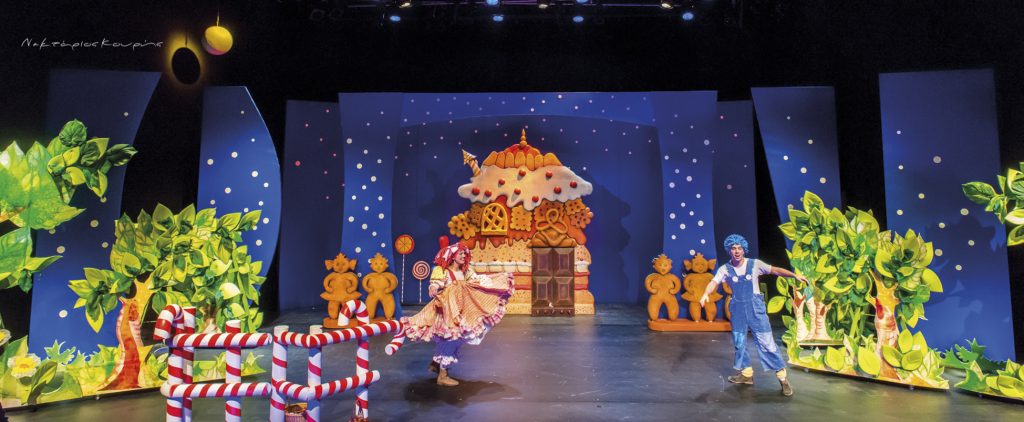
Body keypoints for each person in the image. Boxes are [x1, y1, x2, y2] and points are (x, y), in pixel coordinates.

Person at [399, 236, 515, 386]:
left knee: (456, 338)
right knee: (451, 339)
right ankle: (442, 375)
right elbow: (435, 284)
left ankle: (436, 363)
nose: (463, 256)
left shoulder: (466, 272)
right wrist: (433, 288)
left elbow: (476, 281)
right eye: (460, 254)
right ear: (453, 256)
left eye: (464, 254)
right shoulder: (443, 271)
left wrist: (489, 284)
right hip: (447, 311)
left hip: (460, 310)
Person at [699, 234, 805, 396]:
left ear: (744, 250)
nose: (737, 251)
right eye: (733, 248)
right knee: (739, 342)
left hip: (755, 308)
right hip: (738, 309)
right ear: (729, 251)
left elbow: (775, 270)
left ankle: (782, 379)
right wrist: (706, 294)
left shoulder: (755, 264)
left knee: (767, 343)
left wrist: (794, 275)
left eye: (739, 248)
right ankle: (747, 374)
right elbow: (714, 282)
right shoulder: (725, 269)